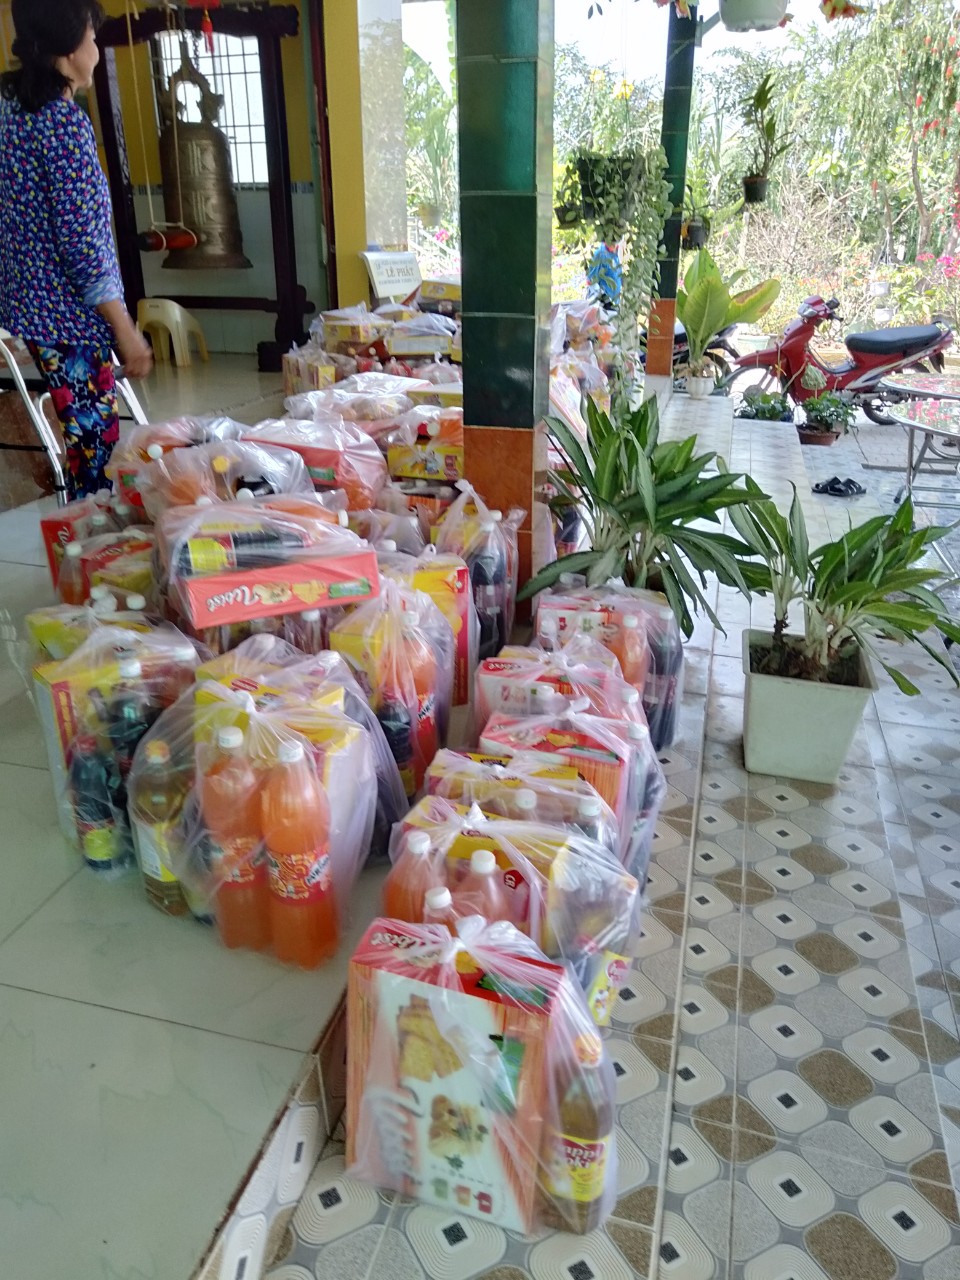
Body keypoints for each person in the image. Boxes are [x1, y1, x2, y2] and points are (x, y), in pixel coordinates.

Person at [0, 0, 152, 499]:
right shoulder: (62, 125)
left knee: (79, 454)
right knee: (97, 463)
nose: (96, 49)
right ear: (68, 51)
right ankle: (93, 543)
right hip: (66, 323)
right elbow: (83, 248)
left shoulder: (8, 111)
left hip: (19, 312)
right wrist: (126, 331)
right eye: (92, 38)